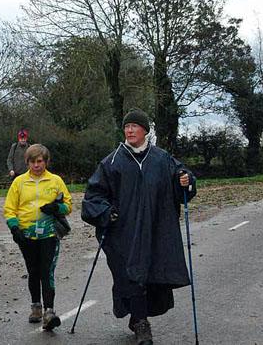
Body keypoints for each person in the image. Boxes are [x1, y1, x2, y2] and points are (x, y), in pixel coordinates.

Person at [81, 109, 196, 345]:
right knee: (130, 276)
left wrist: (186, 180)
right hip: (123, 233)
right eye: (126, 127)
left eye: (134, 126)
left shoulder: (162, 158)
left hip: (156, 230)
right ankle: (142, 324)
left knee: (150, 276)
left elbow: (182, 180)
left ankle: (137, 317)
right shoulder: (111, 162)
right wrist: (106, 212)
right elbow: (93, 197)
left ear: (145, 130)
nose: (130, 130)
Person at [3, 144, 72, 331]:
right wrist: (14, 228)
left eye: (39, 161)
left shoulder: (55, 181)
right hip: (26, 234)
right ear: (27, 162)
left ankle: (49, 311)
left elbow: (68, 204)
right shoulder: (19, 182)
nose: (36, 165)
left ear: (46, 161)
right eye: (32, 162)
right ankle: (36, 307)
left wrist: (56, 208)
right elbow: (9, 209)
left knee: (46, 271)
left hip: (49, 234)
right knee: (33, 271)